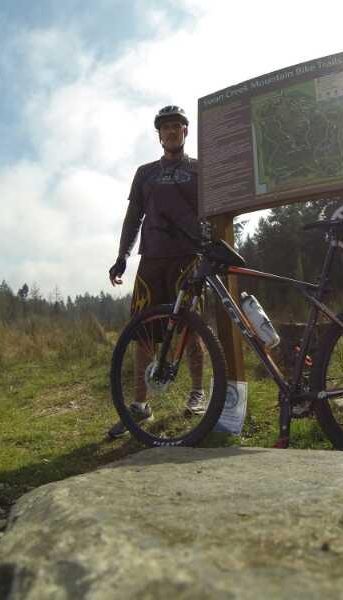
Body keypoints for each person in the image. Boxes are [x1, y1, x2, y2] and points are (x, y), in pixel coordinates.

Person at [107, 105, 206, 439]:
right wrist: (122, 255)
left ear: (185, 131)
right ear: (158, 135)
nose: (171, 131)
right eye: (165, 127)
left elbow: (213, 210)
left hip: (187, 257)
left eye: (176, 126)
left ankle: (197, 392)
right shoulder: (145, 173)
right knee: (143, 332)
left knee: (191, 327)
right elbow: (133, 215)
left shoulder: (199, 169)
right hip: (151, 258)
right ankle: (140, 405)